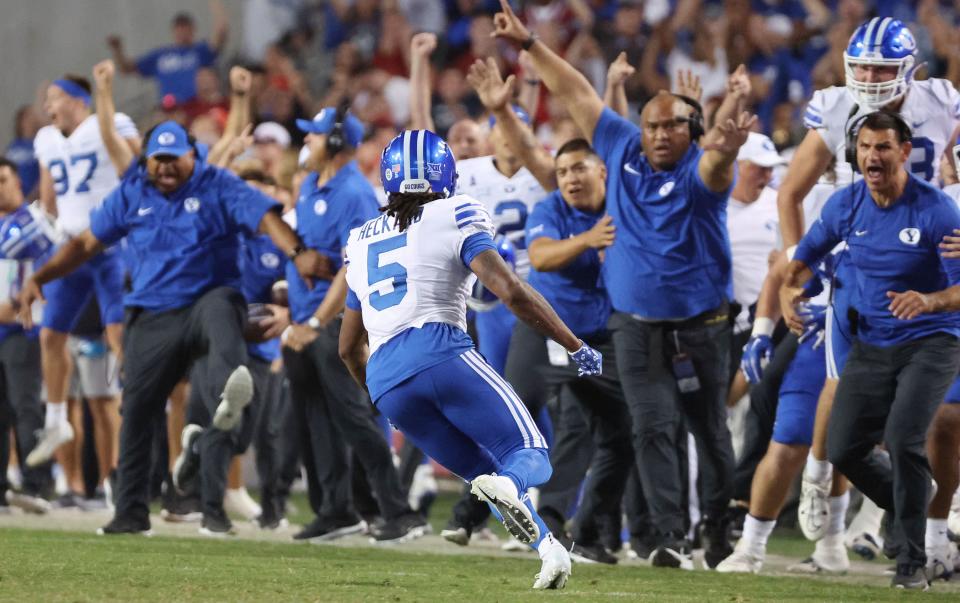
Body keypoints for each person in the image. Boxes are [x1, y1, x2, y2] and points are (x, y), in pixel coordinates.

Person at [490, 0, 753, 568]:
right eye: (652, 124)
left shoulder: (700, 171)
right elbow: (576, 90)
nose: (657, 134)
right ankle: (667, 537)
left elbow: (716, 169)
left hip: (702, 325)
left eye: (671, 126)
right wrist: (531, 44)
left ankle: (718, 530)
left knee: (708, 430)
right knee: (652, 426)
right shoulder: (620, 147)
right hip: (634, 326)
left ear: (694, 131)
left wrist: (726, 151)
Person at [19, 120, 331, 537]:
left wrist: (297, 254)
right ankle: (130, 511)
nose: (165, 168)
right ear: (148, 160)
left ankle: (227, 390)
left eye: (174, 159)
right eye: (158, 160)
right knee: (137, 407)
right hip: (152, 312)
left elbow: (262, 217)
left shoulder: (216, 183)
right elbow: (85, 244)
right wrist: (42, 277)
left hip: (208, 297)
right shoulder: (132, 191)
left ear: (192, 155)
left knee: (223, 311)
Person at [339, 128, 603, 589]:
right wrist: (573, 343)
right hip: (438, 348)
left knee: (489, 476)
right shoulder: (455, 211)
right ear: (445, 174)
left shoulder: (360, 238)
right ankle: (520, 495)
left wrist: (383, 396)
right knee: (531, 454)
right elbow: (512, 290)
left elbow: (346, 346)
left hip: (384, 376)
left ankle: (550, 551)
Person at [776, 17, 960, 565]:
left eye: (883, 66)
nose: (872, 76)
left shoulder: (942, 101)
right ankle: (820, 481)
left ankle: (926, 530)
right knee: (843, 383)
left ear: (911, 69)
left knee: (933, 415)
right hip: (857, 258)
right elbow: (791, 193)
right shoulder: (835, 109)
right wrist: (796, 267)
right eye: (863, 67)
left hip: (929, 263)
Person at [283, 107, 423, 542]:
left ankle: (399, 511)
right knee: (314, 417)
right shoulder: (309, 185)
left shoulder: (355, 194)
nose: (306, 140)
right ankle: (335, 509)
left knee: (353, 416)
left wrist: (316, 319)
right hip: (305, 316)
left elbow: (354, 264)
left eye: (315, 135)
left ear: (338, 142)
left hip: (339, 318)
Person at [25, 73, 140, 469]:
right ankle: (56, 421)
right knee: (51, 335)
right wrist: (43, 231)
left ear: (78, 101)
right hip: (71, 247)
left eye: (54, 98)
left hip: (110, 243)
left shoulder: (110, 124)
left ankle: (138, 404)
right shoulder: (46, 139)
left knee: (117, 334)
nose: (48, 107)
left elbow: (139, 174)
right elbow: (49, 197)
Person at [0, 157, 57, 515]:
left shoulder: (32, 223)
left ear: (17, 182)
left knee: (25, 406)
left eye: (2, 179)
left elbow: (47, 268)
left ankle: (37, 484)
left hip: (23, 328)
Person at [107, 2, 229, 107]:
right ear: (173, 31)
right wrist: (117, 50)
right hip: (170, 110)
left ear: (193, 30)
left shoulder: (201, 51)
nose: (182, 32)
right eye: (179, 28)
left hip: (196, 108)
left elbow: (221, 32)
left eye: (185, 28)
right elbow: (126, 68)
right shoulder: (161, 55)